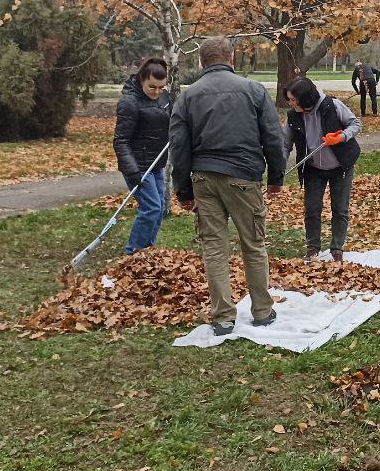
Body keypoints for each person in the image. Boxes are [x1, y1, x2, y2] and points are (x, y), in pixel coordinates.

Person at [170, 38, 286, 336]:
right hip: (243, 178)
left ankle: (223, 315)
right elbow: (273, 136)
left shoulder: (188, 96)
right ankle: (261, 309)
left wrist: (183, 190)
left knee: (214, 247)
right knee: (253, 243)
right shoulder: (254, 90)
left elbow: (179, 147)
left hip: (204, 179)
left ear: (201, 62)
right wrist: (276, 177)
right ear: (231, 58)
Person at [283, 77, 362, 264]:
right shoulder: (293, 116)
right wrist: (278, 168)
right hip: (313, 169)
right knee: (311, 209)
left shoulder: (332, 106)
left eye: (293, 100)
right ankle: (313, 248)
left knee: (340, 209)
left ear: (305, 99)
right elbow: (284, 144)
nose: (290, 103)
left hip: (340, 166)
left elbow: (356, 124)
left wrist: (341, 136)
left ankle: (337, 248)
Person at [112, 57, 171, 255]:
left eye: (161, 87)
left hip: (156, 163)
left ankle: (147, 249)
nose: (157, 92)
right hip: (138, 166)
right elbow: (120, 141)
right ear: (141, 79)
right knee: (151, 208)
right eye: (152, 87)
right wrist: (133, 170)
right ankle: (132, 253)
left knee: (160, 207)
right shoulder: (129, 102)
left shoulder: (164, 98)